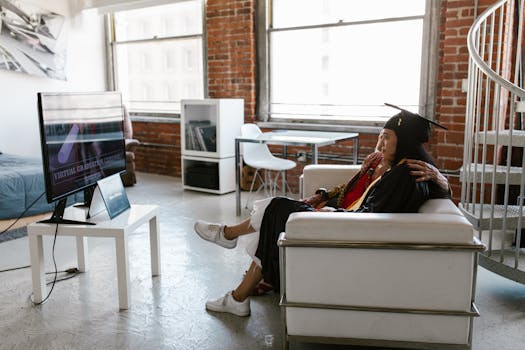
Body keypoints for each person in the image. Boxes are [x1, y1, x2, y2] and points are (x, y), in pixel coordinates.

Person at [193, 104, 450, 317]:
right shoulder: (388, 164)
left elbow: (374, 218)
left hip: (344, 229)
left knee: (276, 206)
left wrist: (443, 182)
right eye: (381, 135)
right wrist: (330, 192)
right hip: (340, 218)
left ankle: (228, 239)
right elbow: (357, 193)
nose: (380, 143)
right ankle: (236, 289)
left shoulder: (408, 175)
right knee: (274, 213)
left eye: (387, 137)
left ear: (403, 141)